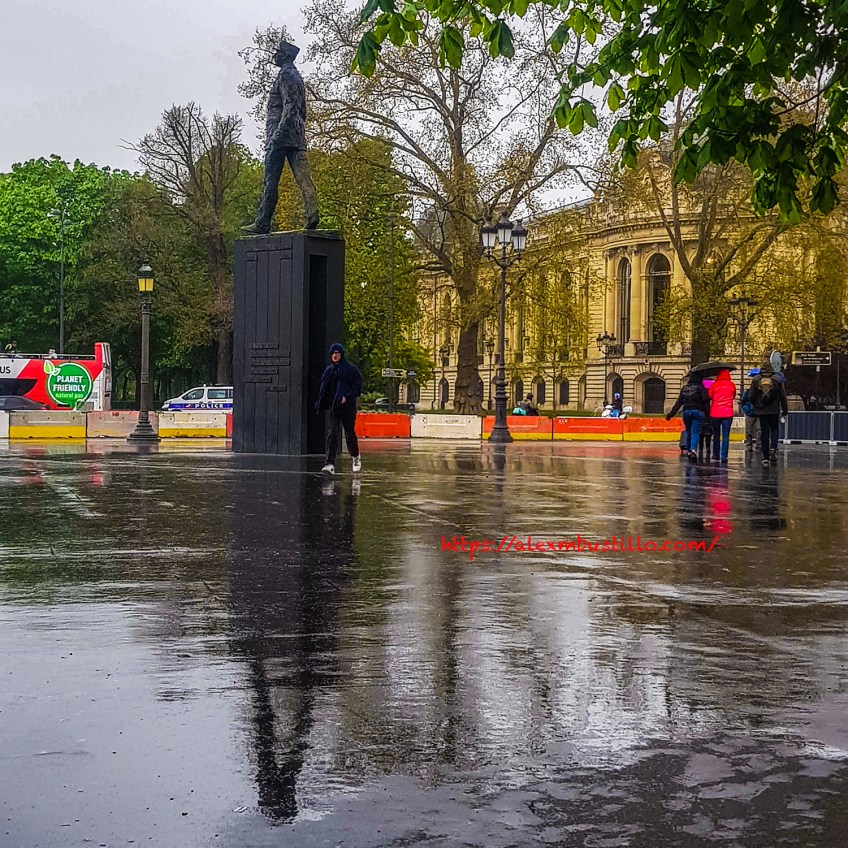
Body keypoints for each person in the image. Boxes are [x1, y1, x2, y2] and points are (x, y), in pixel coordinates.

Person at [243, 39, 319, 235]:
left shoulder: (286, 75)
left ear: (284, 56)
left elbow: (290, 106)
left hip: (280, 134)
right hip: (296, 133)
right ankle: (312, 213)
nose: (274, 55)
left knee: (271, 179)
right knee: (302, 175)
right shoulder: (296, 76)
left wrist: (278, 134)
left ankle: (263, 222)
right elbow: (303, 111)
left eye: (277, 53)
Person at [315, 343, 362, 474]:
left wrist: (347, 396)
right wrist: (320, 402)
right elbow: (323, 388)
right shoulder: (329, 371)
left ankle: (355, 456)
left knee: (349, 433)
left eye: (337, 353)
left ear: (341, 354)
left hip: (348, 408)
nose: (335, 356)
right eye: (333, 353)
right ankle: (329, 463)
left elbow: (357, 387)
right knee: (332, 434)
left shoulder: (351, 369)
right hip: (334, 408)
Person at [749, 361, 788, 466]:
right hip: (774, 410)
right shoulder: (777, 379)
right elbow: (783, 396)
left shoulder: (756, 379)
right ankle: (773, 448)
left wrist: (757, 405)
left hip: (762, 411)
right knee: (774, 429)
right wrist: (785, 411)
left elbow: (751, 396)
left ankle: (765, 457)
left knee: (764, 432)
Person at [666, 372, 711, 461]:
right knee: (695, 431)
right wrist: (708, 413)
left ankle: (689, 450)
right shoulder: (700, 387)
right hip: (698, 411)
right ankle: (693, 450)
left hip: (686, 412)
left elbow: (679, 403)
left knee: (688, 431)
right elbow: (706, 400)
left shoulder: (684, 388)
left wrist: (671, 414)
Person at [708, 368, 736, 463]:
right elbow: (733, 396)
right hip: (728, 413)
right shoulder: (732, 385)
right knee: (726, 436)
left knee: (716, 435)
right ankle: (724, 456)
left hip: (715, 413)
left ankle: (716, 455)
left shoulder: (714, 384)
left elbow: (710, 396)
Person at [740, 368, 760, 451]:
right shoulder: (748, 391)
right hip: (751, 412)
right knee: (749, 430)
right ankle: (749, 445)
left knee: (759, 430)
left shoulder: (760, 391)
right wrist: (747, 410)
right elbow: (743, 401)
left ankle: (758, 445)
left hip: (758, 412)